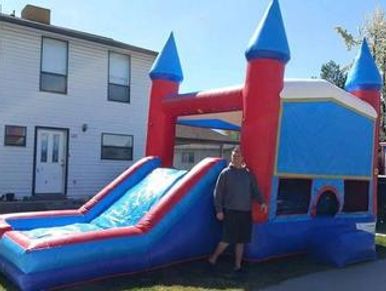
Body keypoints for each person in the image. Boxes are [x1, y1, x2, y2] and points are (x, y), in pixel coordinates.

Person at [208, 145, 267, 272]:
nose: (235, 158)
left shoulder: (248, 174)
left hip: (245, 212)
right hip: (230, 211)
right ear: (231, 157)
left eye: (238, 156)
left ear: (242, 158)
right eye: (234, 156)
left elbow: (255, 190)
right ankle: (213, 258)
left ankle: (238, 265)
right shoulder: (225, 173)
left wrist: (262, 202)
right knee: (226, 239)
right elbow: (218, 193)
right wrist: (219, 210)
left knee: (241, 241)